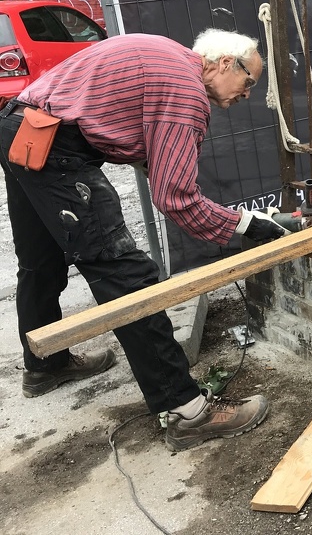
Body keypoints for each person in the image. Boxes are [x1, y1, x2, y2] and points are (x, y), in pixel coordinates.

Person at [0, 28, 291, 451]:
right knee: (126, 274)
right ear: (226, 63)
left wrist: (232, 215)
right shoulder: (187, 94)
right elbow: (177, 201)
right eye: (249, 83)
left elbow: (146, 155)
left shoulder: (166, 58)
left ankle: (45, 365)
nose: (247, 95)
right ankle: (187, 412)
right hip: (56, 148)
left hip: (20, 126)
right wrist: (246, 226)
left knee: (41, 260)